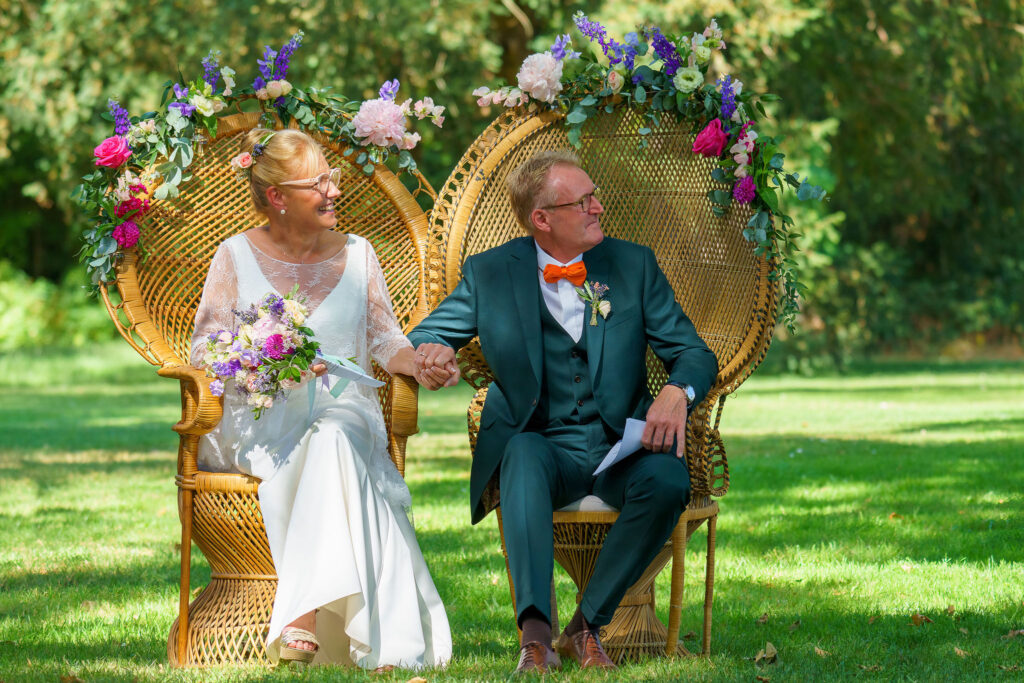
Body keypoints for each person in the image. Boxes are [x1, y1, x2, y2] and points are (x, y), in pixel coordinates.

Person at [408, 150, 718, 674]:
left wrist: (677, 391)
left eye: (595, 196)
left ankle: (584, 627)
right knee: (521, 453)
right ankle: (535, 638)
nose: (598, 207)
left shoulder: (633, 265)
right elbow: (427, 334)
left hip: (622, 448)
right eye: (583, 201)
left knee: (668, 479)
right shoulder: (490, 273)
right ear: (542, 219)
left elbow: (693, 352)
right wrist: (433, 351)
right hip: (544, 449)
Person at [190, 128, 451, 670]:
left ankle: (303, 617)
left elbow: (385, 339)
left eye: (332, 179)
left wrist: (420, 363)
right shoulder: (234, 254)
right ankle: (381, 641)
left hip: (342, 409)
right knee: (330, 446)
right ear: (278, 196)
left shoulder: (360, 253)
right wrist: (267, 360)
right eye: (319, 183)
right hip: (262, 416)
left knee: (332, 435)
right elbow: (206, 349)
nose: (335, 191)